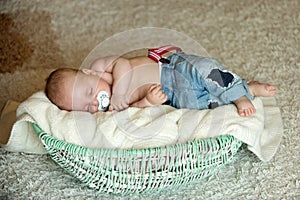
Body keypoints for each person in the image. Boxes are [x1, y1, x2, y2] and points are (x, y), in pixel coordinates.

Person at [45, 45, 276, 116]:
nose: (94, 102)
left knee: (207, 71)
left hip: (173, 69)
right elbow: (132, 110)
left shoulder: (99, 68)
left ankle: (241, 91)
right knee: (204, 106)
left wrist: (118, 93)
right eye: (86, 107)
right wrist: (147, 101)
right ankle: (247, 91)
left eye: (88, 93)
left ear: (87, 73)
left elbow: (123, 65)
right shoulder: (108, 110)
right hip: (173, 94)